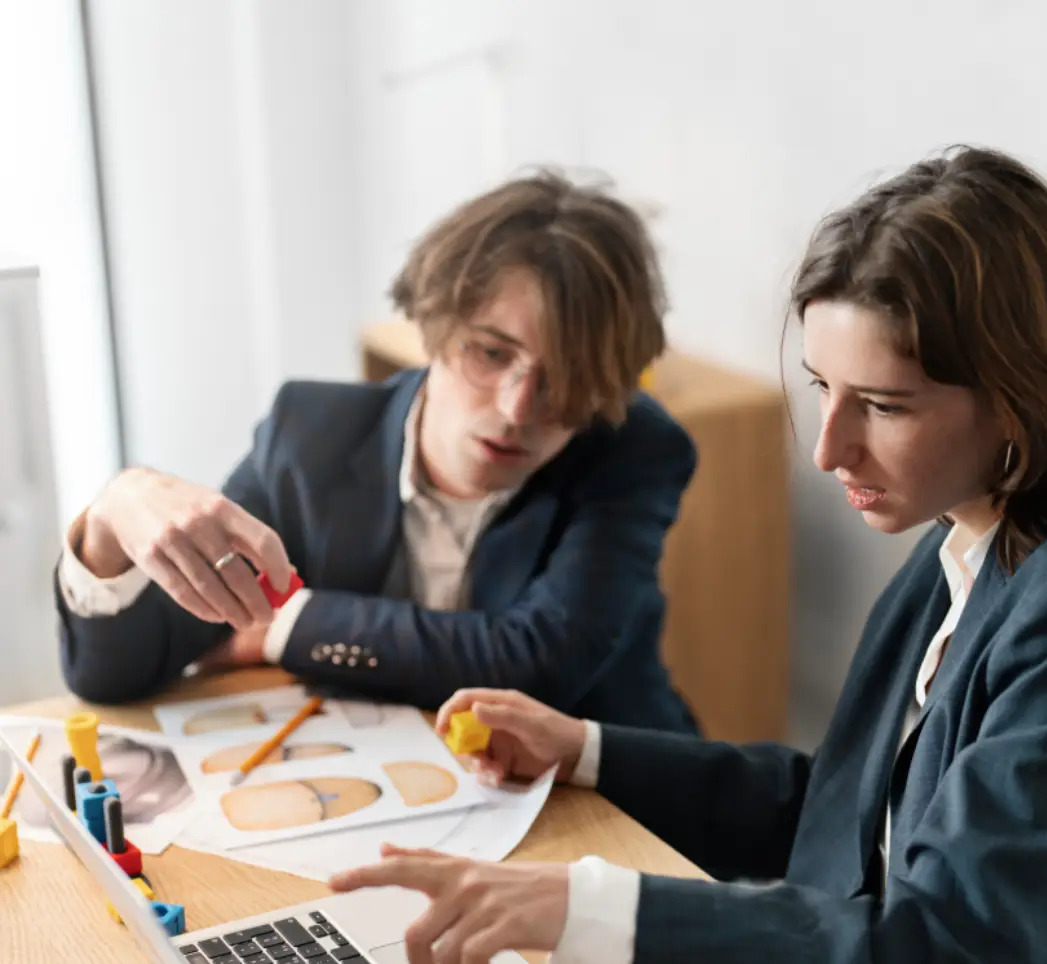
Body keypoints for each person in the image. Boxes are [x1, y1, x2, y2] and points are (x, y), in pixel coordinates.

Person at [330, 147, 1047, 964]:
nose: (829, 447)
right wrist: (587, 749)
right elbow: (841, 812)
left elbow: (936, 953)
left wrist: (582, 908)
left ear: (1017, 394)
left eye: (883, 405)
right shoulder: (970, 532)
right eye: (822, 386)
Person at [55, 172, 698, 733]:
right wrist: (111, 520)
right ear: (435, 323)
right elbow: (111, 676)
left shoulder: (634, 452)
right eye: (490, 353)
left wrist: (291, 626)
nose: (517, 408)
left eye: (567, 376)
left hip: (607, 802)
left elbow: (537, 667)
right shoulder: (311, 436)